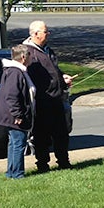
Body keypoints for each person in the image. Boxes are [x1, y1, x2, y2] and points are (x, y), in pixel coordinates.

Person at [22, 20, 73, 171]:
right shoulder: (28, 52)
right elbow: (33, 78)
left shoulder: (48, 50)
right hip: (42, 102)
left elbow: (54, 71)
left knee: (61, 134)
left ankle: (63, 162)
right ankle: (42, 165)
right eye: (45, 31)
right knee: (42, 136)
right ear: (35, 34)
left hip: (57, 99)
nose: (48, 34)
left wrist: (63, 79)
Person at [0, 43, 35, 180]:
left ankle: (11, 172)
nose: (31, 58)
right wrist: (17, 114)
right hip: (14, 116)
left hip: (11, 114)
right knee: (18, 143)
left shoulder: (16, 70)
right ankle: (17, 173)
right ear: (23, 57)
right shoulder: (15, 72)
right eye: (29, 55)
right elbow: (12, 95)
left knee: (14, 142)